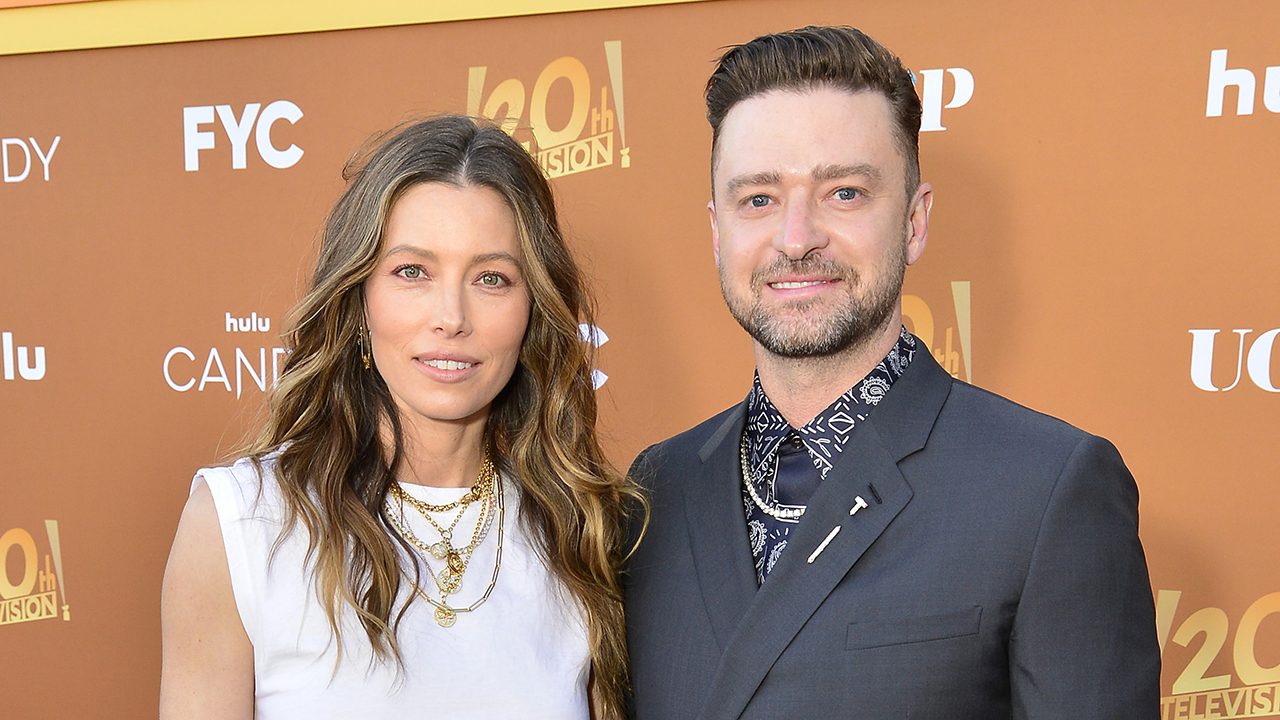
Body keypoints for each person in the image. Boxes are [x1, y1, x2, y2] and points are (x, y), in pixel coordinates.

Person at [624, 26, 1160, 720]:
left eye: (843, 193)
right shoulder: (653, 492)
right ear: (717, 232)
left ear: (913, 221)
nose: (795, 238)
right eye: (758, 198)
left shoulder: (1047, 490)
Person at [159, 115, 644, 720]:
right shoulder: (241, 523)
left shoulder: (581, 529)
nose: (451, 316)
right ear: (358, 297)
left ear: (533, 311)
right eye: (412, 271)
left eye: (491, 278)